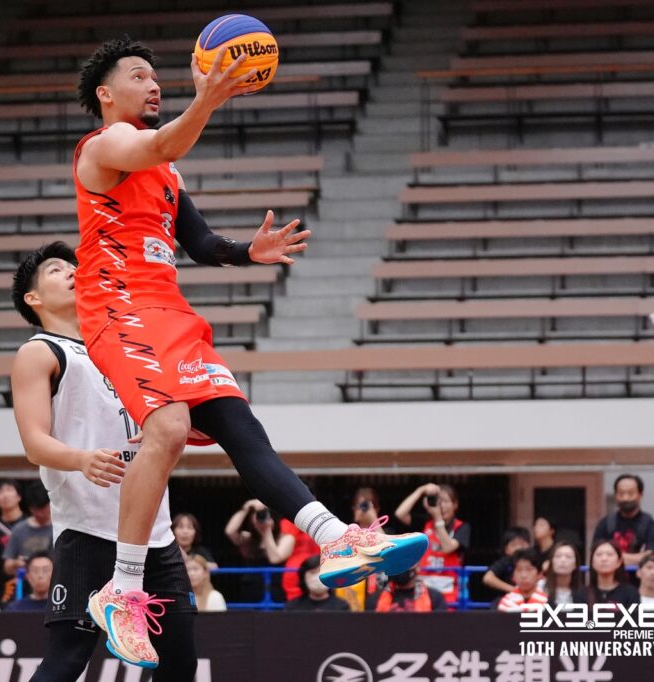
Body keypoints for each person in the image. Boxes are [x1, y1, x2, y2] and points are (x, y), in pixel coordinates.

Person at [72, 36, 427, 667]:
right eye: (139, 76)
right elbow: (162, 143)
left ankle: (336, 537)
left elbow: (199, 242)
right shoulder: (104, 146)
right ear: (106, 94)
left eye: (156, 76)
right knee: (169, 428)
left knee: (240, 426)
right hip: (116, 305)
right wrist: (207, 100)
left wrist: (247, 252)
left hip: (168, 310)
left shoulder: (167, 172)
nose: (154, 84)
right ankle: (121, 591)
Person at [11, 242, 197, 680]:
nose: (72, 272)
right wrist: (80, 459)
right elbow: (34, 443)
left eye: (73, 266)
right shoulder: (39, 352)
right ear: (33, 299)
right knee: (67, 660)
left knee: (180, 662)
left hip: (154, 532)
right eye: (56, 270)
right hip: (89, 529)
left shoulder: (121, 347)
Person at [395, 483, 469, 605]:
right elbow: (400, 513)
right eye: (438, 502)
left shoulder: (462, 527)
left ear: (455, 505)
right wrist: (421, 490)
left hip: (449, 591)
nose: (442, 506)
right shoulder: (425, 523)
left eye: (446, 501)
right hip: (424, 589)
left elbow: (448, 547)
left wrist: (438, 518)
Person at [591, 474, 654, 567]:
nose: (625, 498)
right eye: (621, 493)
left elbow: (650, 559)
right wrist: (638, 557)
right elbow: (595, 555)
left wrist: (612, 557)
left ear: (640, 495)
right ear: (616, 495)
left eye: (630, 493)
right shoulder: (605, 524)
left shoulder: (651, 526)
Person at [2, 481, 53, 586]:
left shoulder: (59, 528)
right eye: (35, 510)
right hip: (26, 586)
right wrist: (16, 563)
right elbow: (7, 566)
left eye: (43, 509)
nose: (39, 514)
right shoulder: (19, 530)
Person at [573, 540, 640, 606]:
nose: (604, 559)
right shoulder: (582, 594)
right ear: (592, 562)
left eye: (610, 554)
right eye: (599, 554)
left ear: (619, 562)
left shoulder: (630, 593)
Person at [366, 565, 448, 612]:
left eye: (406, 563)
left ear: (417, 567)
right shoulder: (375, 599)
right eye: (397, 565)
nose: (401, 568)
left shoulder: (434, 598)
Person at [284, 555, 351, 612]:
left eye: (322, 572)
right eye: (313, 573)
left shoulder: (342, 607)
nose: (318, 577)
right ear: (303, 577)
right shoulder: (292, 607)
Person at [482, 527, 531, 594]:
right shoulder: (505, 561)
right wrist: (514, 590)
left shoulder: (534, 560)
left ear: (529, 545)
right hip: (509, 596)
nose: (519, 548)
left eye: (522, 544)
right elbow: (487, 578)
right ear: (506, 550)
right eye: (514, 545)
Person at [542, 542, 583, 607]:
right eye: (558, 556)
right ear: (551, 562)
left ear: (575, 564)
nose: (563, 560)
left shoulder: (583, 593)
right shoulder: (540, 588)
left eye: (568, 557)